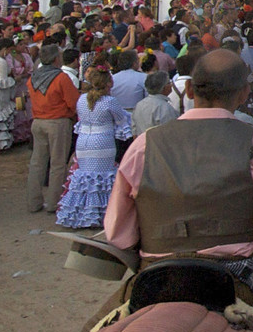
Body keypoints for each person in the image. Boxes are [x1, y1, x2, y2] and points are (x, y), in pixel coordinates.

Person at [100, 48, 253, 332]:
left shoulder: (145, 144)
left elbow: (117, 234)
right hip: (234, 280)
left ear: (188, 89)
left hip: (156, 279)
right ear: (243, 94)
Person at [55, 66, 132, 229]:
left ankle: (81, 213)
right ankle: (102, 214)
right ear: (109, 83)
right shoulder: (110, 102)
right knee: (102, 178)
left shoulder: (81, 100)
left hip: (83, 142)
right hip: (103, 142)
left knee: (85, 177)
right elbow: (122, 122)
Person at [26, 42, 79, 215]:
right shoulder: (61, 77)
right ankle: (53, 202)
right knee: (57, 164)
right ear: (57, 58)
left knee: (37, 162)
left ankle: (33, 201)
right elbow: (73, 102)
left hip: (38, 121)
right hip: (57, 121)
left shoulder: (33, 77)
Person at [130, 71, 179, 137]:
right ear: (163, 88)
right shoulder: (165, 108)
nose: (171, 85)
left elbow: (134, 132)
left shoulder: (139, 105)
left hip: (142, 144)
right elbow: (171, 133)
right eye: (169, 83)